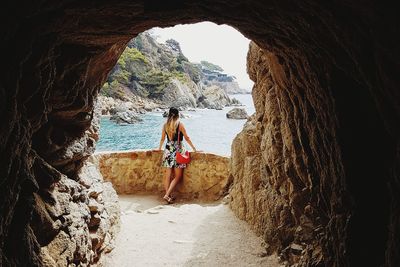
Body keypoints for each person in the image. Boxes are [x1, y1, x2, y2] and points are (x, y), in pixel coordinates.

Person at [157, 107, 196, 204]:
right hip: (178, 150)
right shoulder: (180, 124)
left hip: (168, 150)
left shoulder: (165, 125)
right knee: (178, 176)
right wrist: (194, 149)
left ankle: (168, 196)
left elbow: (162, 139)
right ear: (178, 114)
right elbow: (187, 138)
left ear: (169, 114)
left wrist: (159, 149)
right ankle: (167, 196)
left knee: (168, 175)